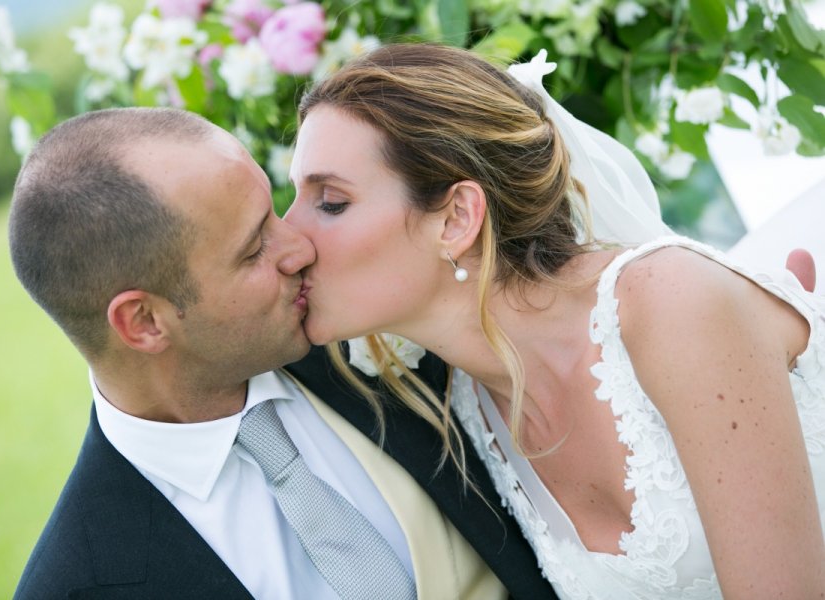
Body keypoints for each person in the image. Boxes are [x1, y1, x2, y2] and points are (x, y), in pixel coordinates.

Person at [284, 43, 825, 599]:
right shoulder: (467, 413)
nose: (287, 237)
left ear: (456, 219)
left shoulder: (669, 305)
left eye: (330, 202)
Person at [8, 107, 559, 599]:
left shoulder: (378, 327)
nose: (299, 247)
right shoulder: (79, 582)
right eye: (253, 251)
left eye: (273, 210)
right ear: (144, 322)